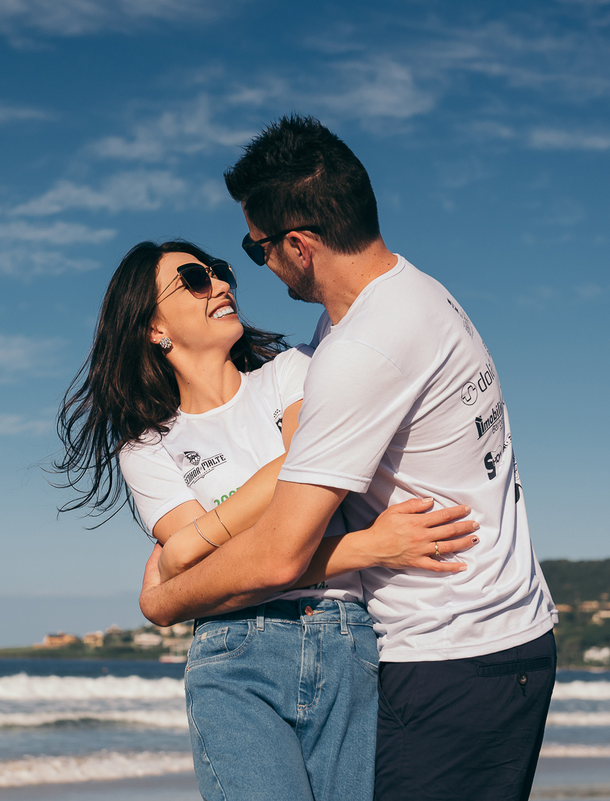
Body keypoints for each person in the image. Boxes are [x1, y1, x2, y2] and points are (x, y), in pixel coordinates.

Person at [139, 116, 560, 801]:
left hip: (452, 655)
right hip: (492, 643)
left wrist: (163, 598)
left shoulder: (363, 346)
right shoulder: (406, 297)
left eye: (254, 250)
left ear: (298, 245)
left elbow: (279, 553)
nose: (251, 270)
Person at [55, 239, 478, 801]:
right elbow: (224, 570)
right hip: (234, 653)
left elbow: (299, 471)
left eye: (220, 271)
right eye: (194, 278)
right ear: (154, 329)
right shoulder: (148, 448)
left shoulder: (294, 371)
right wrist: (364, 548)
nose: (222, 283)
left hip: (344, 640)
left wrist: (199, 535)